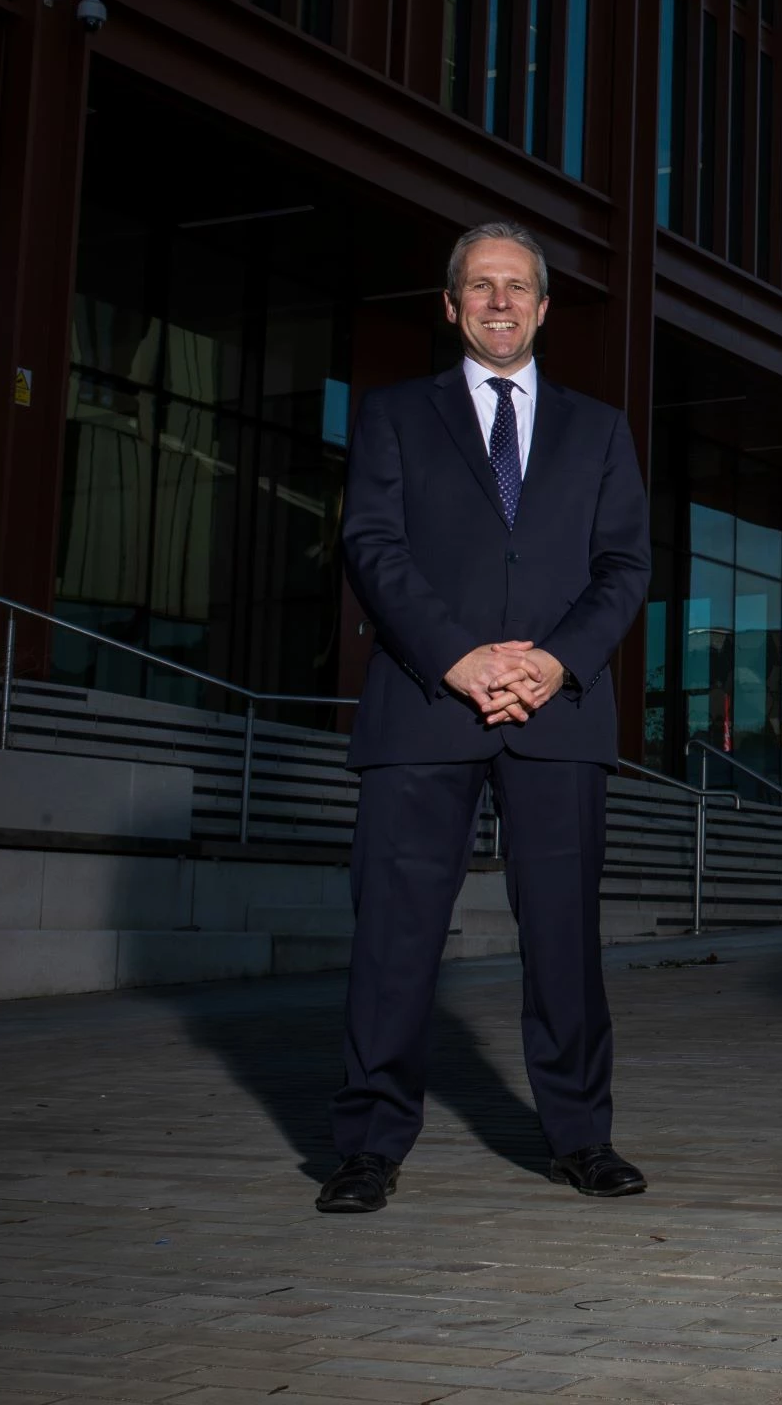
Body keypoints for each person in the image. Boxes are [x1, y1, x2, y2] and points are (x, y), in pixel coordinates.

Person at [318, 222, 651, 1214]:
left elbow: (624, 566)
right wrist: (460, 659)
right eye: (479, 286)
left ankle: (580, 1138)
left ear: (544, 308)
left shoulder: (598, 430)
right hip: (425, 706)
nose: (499, 302)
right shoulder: (393, 417)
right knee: (394, 939)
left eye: (516, 287)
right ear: (452, 304)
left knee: (564, 939)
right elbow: (372, 546)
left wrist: (550, 663)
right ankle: (368, 1147)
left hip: (559, 711)